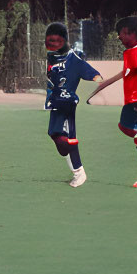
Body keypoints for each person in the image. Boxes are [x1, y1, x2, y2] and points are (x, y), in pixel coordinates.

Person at [87, 16, 137, 188]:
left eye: (121, 34)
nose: (119, 37)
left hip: (136, 99)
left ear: (131, 33)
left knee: (129, 129)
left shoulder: (133, 53)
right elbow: (133, 75)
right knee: (131, 129)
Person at [43, 22, 103, 188]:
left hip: (67, 103)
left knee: (68, 137)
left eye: (56, 40)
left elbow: (89, 71)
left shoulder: (73, 58)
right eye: (49, 41)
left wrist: (96, 77)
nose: (52, 44)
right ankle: (76, 167)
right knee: (54, 134)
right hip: (55, 102)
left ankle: (79, 173)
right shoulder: (51, 58)